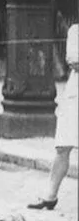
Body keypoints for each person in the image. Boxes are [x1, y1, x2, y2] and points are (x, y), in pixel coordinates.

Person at [30, 23, 78, 210]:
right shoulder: (76, 30)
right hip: (76, 96)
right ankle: (50, 195)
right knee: (63, 147)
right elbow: (75, 61)